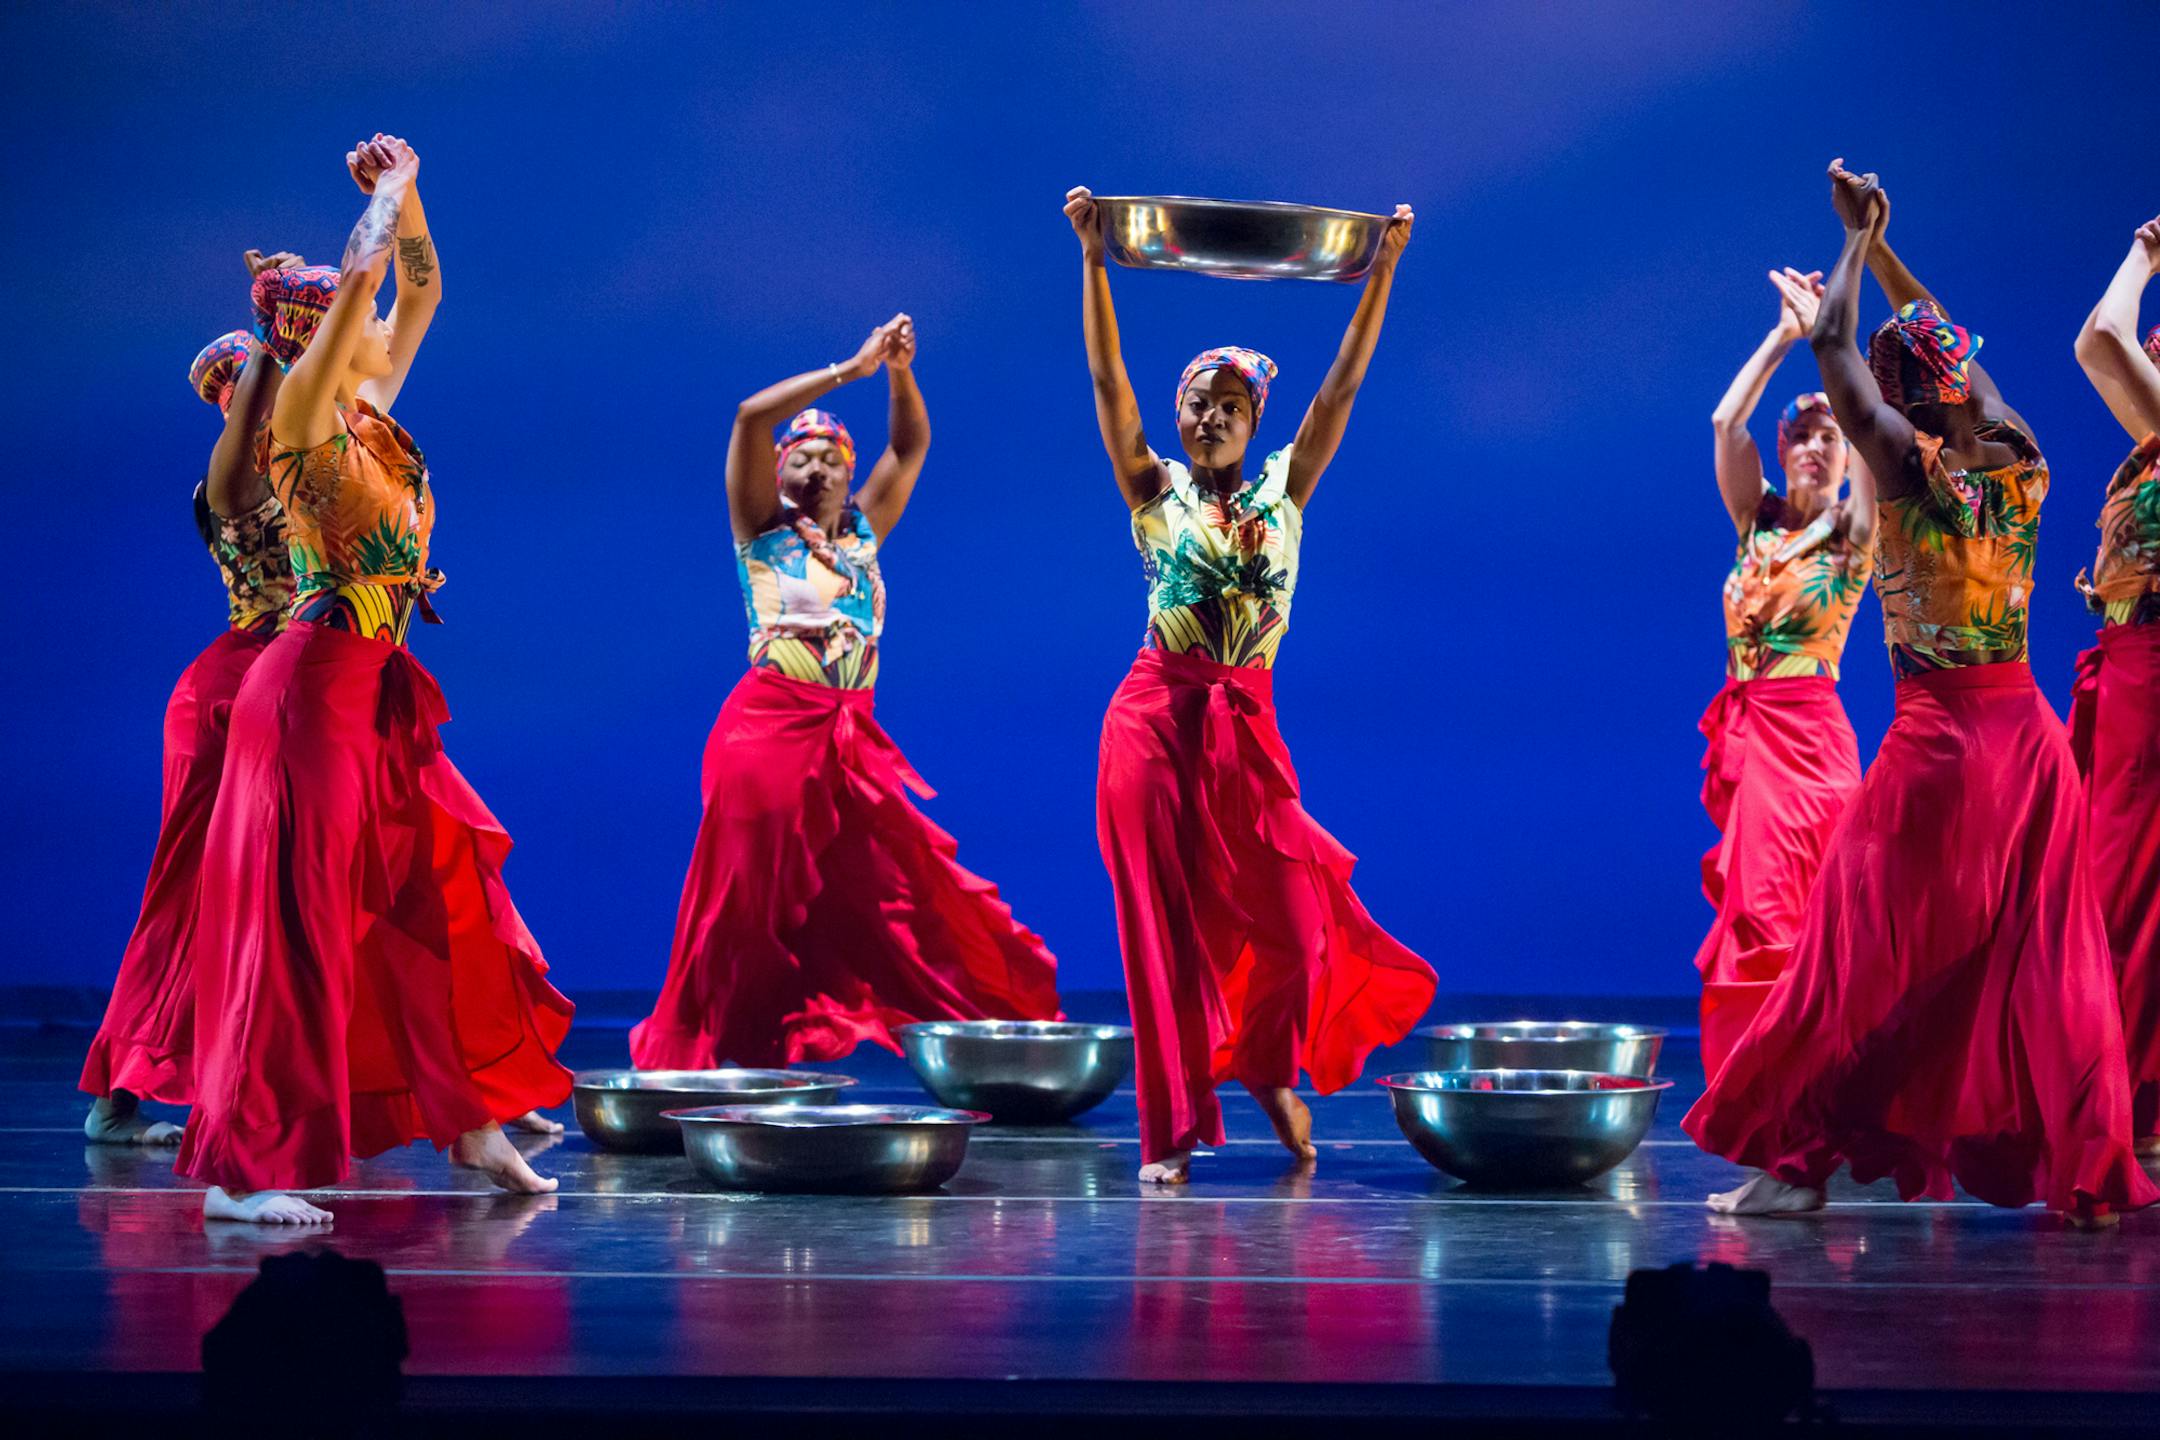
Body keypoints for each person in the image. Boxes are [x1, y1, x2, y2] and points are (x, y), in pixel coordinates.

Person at [1683, 161, 2156, 1226]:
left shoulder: (1903, 463)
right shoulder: (2017, 447)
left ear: (1897, 404)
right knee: (2051, 964)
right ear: (1965, 381)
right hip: (2028, 745)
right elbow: (1939, 339)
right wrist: (1888, 244)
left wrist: (1852, 245)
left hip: (1940, 747)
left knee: (1850, 955)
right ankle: (2094, 1170)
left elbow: (1838, 349)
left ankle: (1794, 1166)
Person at [177, 135, 574, 1225]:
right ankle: (243, 1170)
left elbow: (422, 284)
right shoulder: (301, 420)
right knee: (302, 919)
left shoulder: (370, 413)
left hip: (380, 693)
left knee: (440, 892)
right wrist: (383, 199)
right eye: (355, 325)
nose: (382, 329)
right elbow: (364, 284)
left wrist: (415, 198)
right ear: (319, 342)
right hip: (309, 691)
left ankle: (473, 1119)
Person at [1063, 185, 1437, 1184]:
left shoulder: (1287, 487)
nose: (1210, 414)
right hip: (1152, 721)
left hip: (1248, 726)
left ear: (1253, 417)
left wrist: (1384, 269)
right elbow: (1107, 383)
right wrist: (1095, 257)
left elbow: (1344, 389)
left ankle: (1265, 1067)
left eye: (1230, 403)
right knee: (1162, 926)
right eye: (1196, 401)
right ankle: (1171, 1133)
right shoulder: (1154, 490)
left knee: (1293, 917)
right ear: (1181, 419)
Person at [630, 316, 1061, 1069]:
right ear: (781, 471)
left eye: (832, 460)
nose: (819, 472)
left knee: (898, 889)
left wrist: (900, 372)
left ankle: (988, 1038)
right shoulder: (760, 527)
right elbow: (749, 417)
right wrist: (852, 370)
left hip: (852, 741)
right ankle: (706, 1054)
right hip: (767, 731)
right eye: (803, 459)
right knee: (745, 897)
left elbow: (910, 446)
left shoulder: (863, 533)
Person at [80, 254, 306, 1144]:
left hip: (293, 679)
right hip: (236, 689)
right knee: (189, 890)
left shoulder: (300, 457)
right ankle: (122, 1089)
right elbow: (258, 403)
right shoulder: (234, 474)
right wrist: (272, 332)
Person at [1695, 266, 1876, 1079]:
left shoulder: (1852, 532)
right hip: (1751, 736)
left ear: (1845, 457)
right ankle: (1772, 1098)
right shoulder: (1755, 521)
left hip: (1810, 742)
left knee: (1796, 919)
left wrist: (1839, 338)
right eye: (1800, 435)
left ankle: (1797, 1102)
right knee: (1759, 915)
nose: (1813, 447)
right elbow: (1725, 417)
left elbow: (1874, 425)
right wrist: (1784, 336)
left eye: (1828, 437)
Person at [2070, 211, 2160, 1152]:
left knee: (2127, 887)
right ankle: (2136, 1100)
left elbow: (2099, 339)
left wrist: (2142, 255)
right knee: (2124, 885)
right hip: (2130, 661)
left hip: (2152, 667)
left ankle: (2129, 1105)